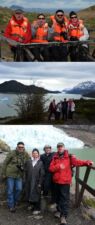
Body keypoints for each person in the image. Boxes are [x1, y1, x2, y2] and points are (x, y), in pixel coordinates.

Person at [49, 142, 93, 225]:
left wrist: (87, 162)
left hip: (65, 182)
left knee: (64, 199)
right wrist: (58, 166)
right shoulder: (54, 158)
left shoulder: (69, 157)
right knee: (58, 197)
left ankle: (63, 216)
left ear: (64, 147)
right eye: (58, 147)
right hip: (56, 181)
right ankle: (58, 211)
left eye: (61, 147)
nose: (60, 148)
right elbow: (51, 169)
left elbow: (77, 162)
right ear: (57, 148)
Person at [2, 142, 30, 212]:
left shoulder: (25, 154)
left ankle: (15, 201)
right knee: (10, 190)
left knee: (19, 189)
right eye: (19, 147)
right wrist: (4, 173)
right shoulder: (12, 153)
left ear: (24, 147)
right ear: (17, 147)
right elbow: (5, 162)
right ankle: (11, 205)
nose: (20, 148)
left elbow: (29, 161)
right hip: (10, 174)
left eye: (22, 147)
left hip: (19, 175)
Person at [24, 148, 44, 215]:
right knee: (30, 192)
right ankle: (32, 205)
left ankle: (37, 208)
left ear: (38, 154)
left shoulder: (40, 163)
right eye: (34, 153)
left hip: (36, 181)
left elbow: (42, 174)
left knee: (37, 194)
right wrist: (25, 180)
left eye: (36, 153)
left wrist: (40, 183)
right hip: (29, 181)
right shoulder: (29, 161)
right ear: (32, 154)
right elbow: (25, 171)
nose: (35, 154)